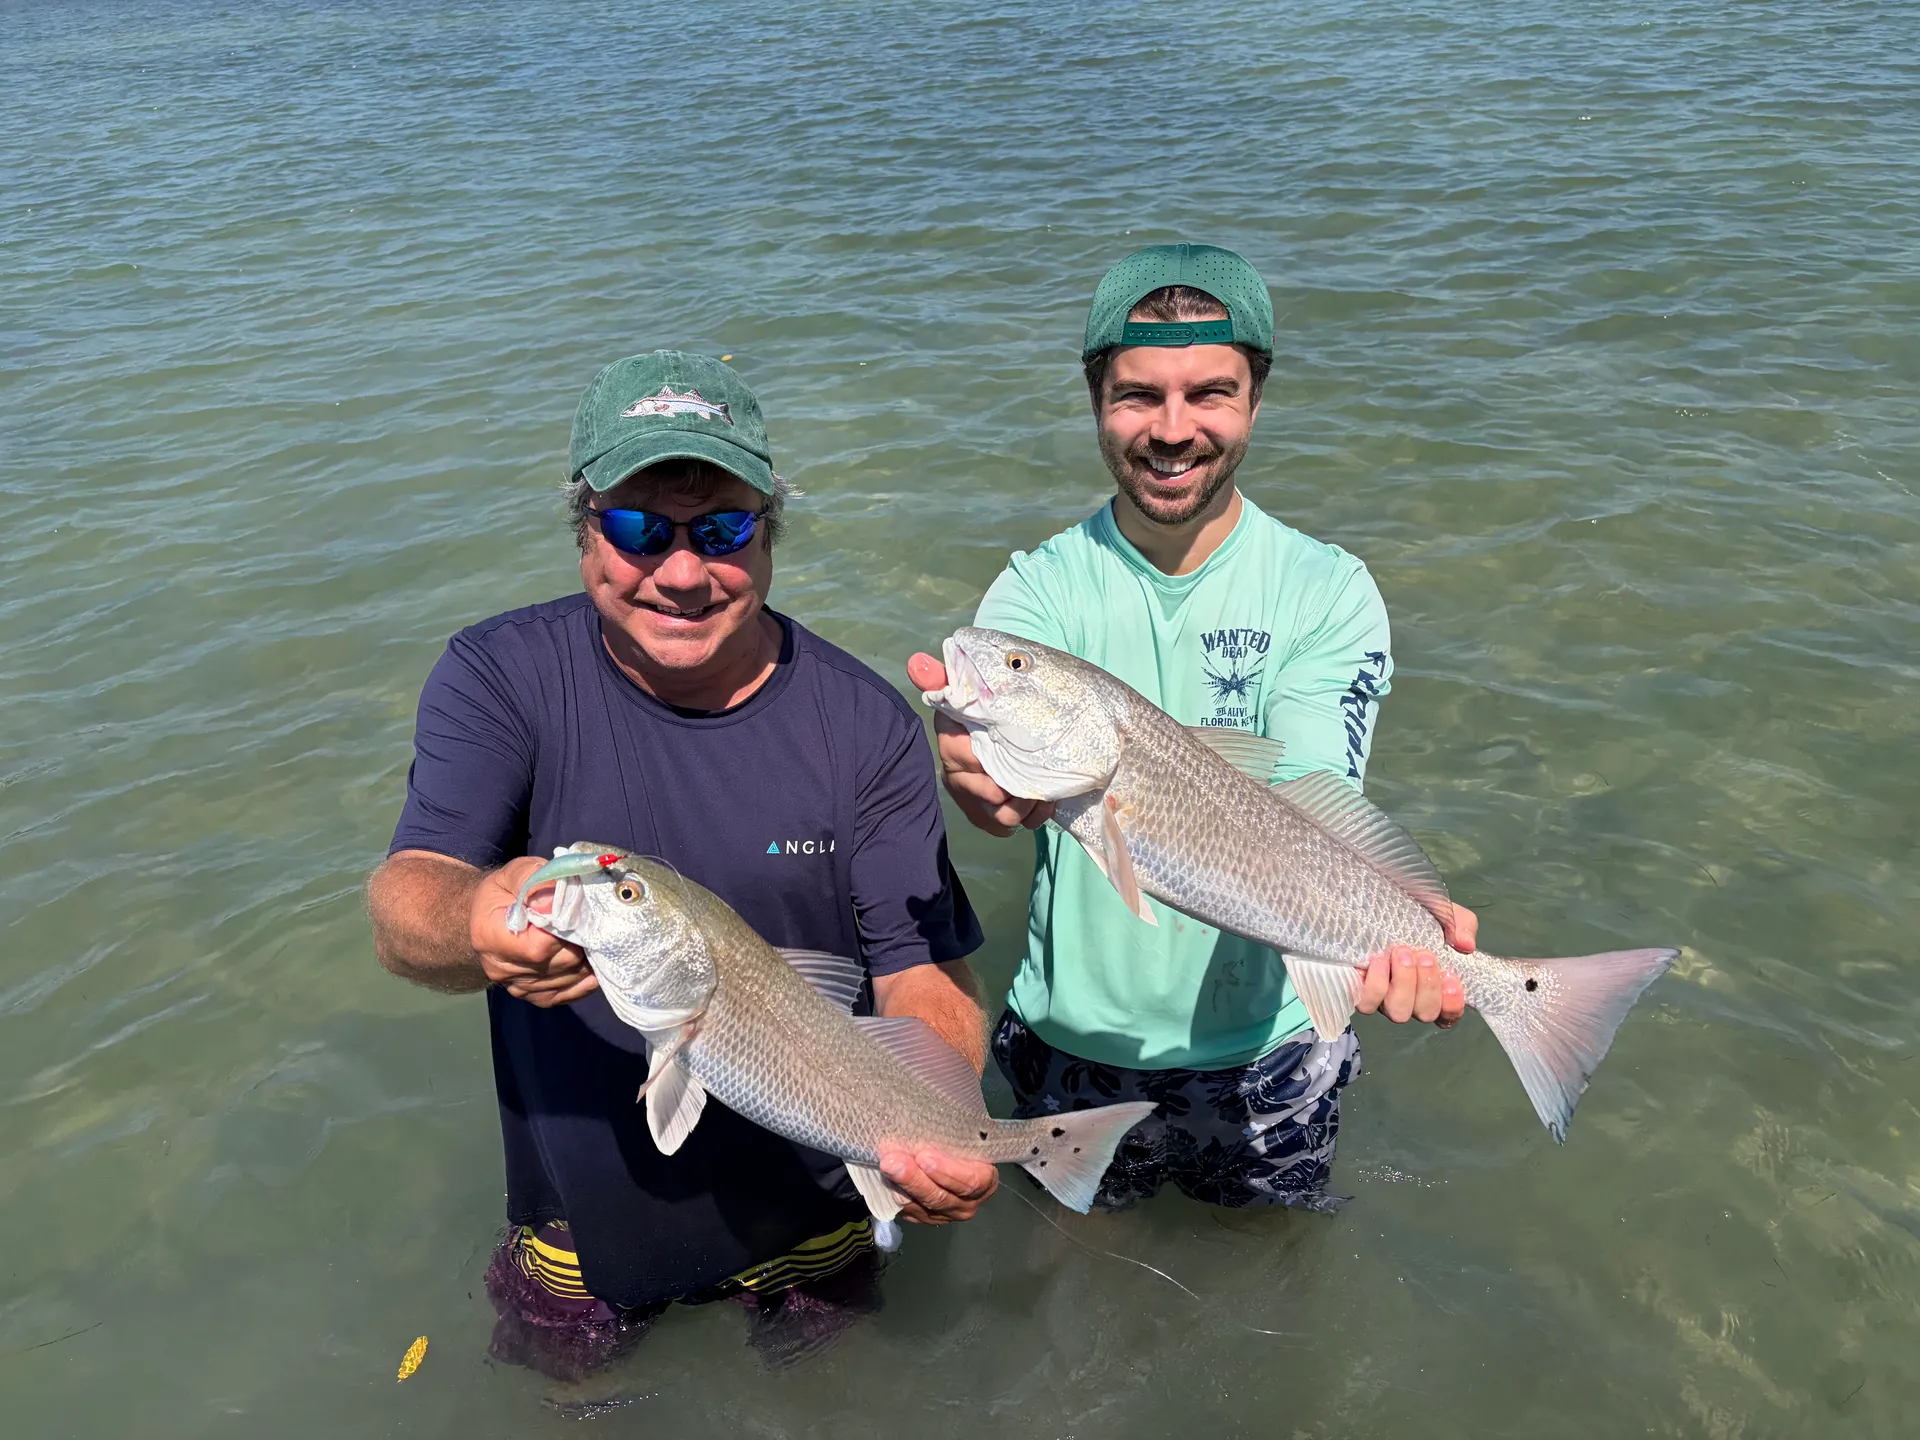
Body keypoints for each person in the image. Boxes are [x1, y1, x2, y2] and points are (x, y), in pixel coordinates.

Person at [367, 351, 996, 1377]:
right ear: (584, 531)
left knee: (838, 1402)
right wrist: (475, 917)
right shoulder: (500, 677)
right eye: (637, 529)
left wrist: (945, 1126)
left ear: (768, 532)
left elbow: (920, 972)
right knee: (570, 1401)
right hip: (578, 1235)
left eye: (723, 530)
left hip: (824, 1211)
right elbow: (407, 906)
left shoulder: (866, 725)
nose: (681, 571)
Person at [907, 244, 1478, 1213]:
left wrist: (1406, 921)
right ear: (1096, 401)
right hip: (1071, 1041)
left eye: (1209, 393)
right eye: (1137, 396)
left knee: (1275, 1267)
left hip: (1275, 1044)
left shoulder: (1326, 590)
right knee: (1074, 1280)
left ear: (1255, 399)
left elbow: (1310, 793)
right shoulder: (1036, 591)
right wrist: (985, 789)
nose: (1173, 430)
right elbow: (1001, 786)